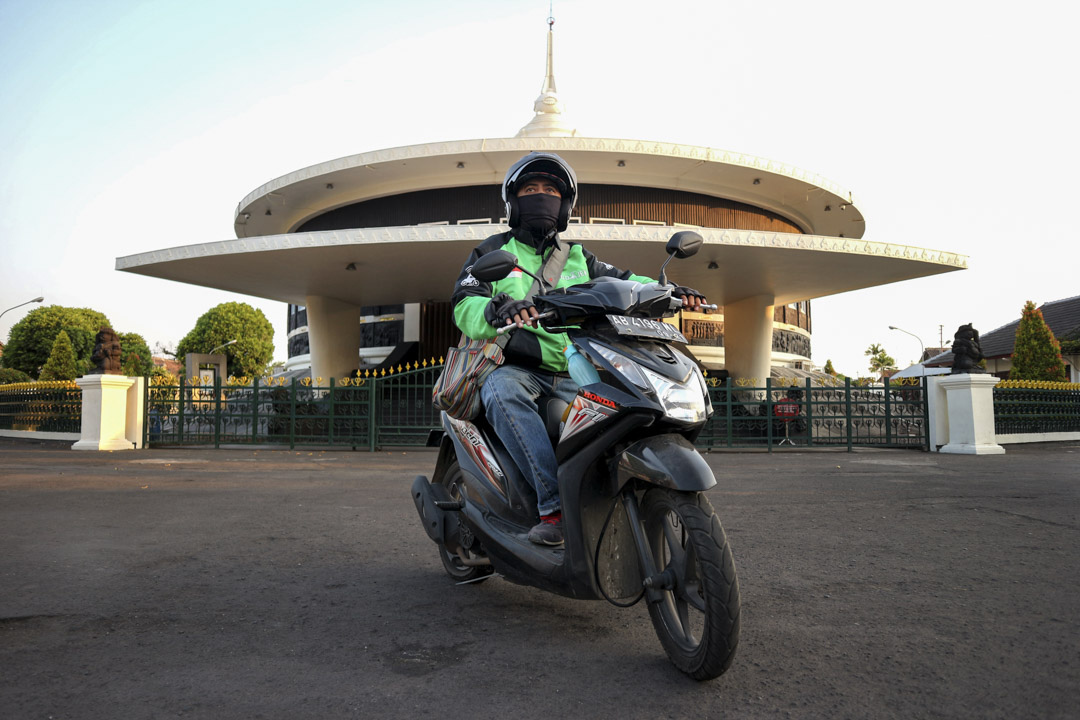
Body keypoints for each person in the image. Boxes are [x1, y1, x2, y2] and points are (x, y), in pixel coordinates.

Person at [450, 152, 708, 545]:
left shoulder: (577, 257)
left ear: (565, 204)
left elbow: (627, 282)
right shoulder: (491, 253)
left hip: (577, 369)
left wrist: (670, 291)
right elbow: (465, 305)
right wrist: (497, 308)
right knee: (504, 391)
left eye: (550, 190)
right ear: (514, 202)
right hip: (518, 369)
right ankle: (553, 509)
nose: (541, 196)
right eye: (531, 189)